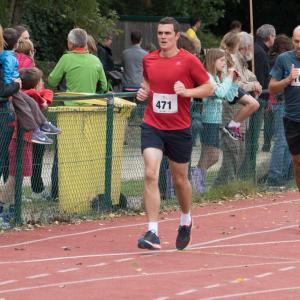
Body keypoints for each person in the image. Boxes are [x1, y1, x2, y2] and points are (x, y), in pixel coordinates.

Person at [136, 17, 214, 250]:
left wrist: (187, 91)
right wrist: (143, 92)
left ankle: (186, 219)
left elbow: (210, 88)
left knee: (180, 179)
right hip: (153, 125)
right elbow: (148, 83)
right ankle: (152, 232)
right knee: (151, 173)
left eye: (167, 33)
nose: (163, 37)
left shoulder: (188, 61)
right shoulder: (148, 59)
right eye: (160, 33)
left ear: (177, 36)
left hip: (179, 128)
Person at [215, 31, 261, 185]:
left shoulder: (240, 61)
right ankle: (218, 186)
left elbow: (243, 77)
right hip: (229, 115)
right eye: (251, 47)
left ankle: (223, 185)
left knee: (238, 153)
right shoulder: (230, 59)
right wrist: (252, 85)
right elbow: (233, 83)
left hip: (239, 118)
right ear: (245, 47)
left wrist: (253, 80)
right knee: (230, 153)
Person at [0, 27, 60, 144]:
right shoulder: (9, 57)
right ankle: (34, 129)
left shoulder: (9, 56)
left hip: (13, 90)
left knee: (29, 102)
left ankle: (42, 124)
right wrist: (15, 84)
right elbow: (7, 78)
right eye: (24, 38)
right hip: (10, 93)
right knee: (23, 104)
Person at [192, 48, 239, 193]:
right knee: (212, 154)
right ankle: (197, 182)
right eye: (222, 60)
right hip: (207, 119)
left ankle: (197, 180)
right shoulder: (207, 76)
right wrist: (229, 78)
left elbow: (229, 97)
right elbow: (218, 92)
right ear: (213, 60)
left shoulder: (217, 77)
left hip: (214, 120)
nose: (224, 63)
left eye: (225, 60)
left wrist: (234, 82)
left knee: (211, 155)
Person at [268, 25, 300, 195]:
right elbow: (272, 88)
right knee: (297, 161)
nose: (299, 45)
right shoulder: (284, 59)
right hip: (292, 118)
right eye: (296, 41)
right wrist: (287, 80)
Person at [220, 31, 260, 140]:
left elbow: (242, 76)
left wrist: (253, 83)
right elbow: (229, 80)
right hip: (230, 94)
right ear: (237, 45)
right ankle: (232, 126)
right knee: (254, 104)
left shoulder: (234, 58)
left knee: (254, 104)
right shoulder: (227, 57)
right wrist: (251, 85)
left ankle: (234, 125)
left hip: (234, 91)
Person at [48, 28, 107, 98]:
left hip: (69, 104)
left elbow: (52, 82)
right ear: (85, 43)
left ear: (71, 43)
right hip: (90, 105)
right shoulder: (96, 60)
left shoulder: (66, 58)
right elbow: (104, 86)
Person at [266, 34, 293, 186]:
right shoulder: (280, 61)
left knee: (288, 141)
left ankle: (283, 173)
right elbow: (275, 85)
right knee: (282, 141)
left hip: (286, 103)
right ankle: (275, 175)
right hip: (281, 102)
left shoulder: (277, 59)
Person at [254, 24, 276, 152]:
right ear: (269, 37)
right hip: (258, 97)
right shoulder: (260, 52)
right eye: (274, 36)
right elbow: (260, 77)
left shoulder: (256, 49)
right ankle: (249, 165)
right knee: (254, 132)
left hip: (256, 96)